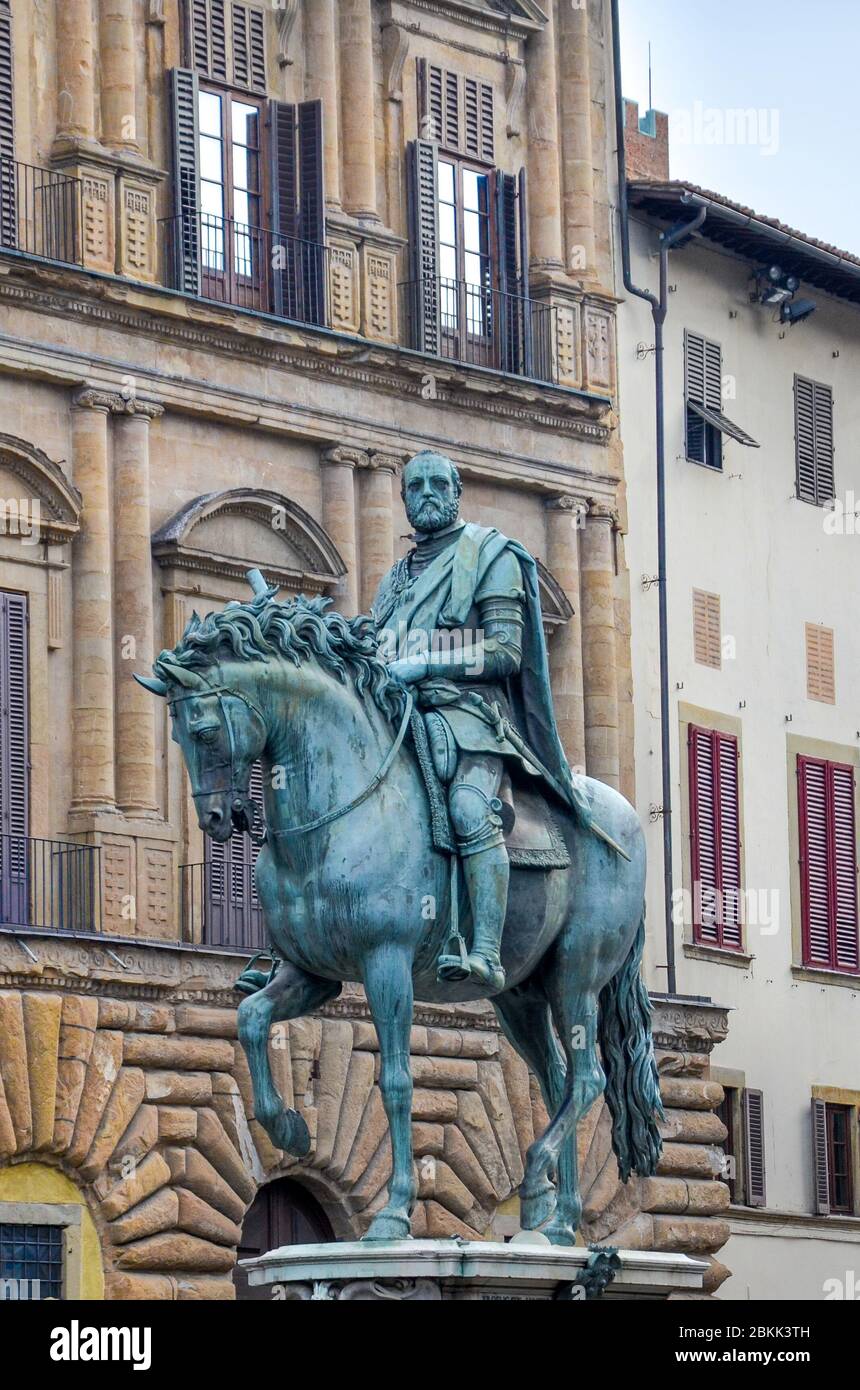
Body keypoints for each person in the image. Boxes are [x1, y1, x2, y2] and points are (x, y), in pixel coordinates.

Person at [371, 450, 601, 990]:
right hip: (401, 712)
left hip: (470, 717)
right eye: (415, 486)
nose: (426, 493)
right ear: (403, 499)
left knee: (470, 808)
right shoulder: (394, 578)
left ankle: (487, 952)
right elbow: (374, 643)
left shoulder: (491, 555)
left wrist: (428, 660)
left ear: (456, 493)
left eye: (437, 484)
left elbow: (504, 651)